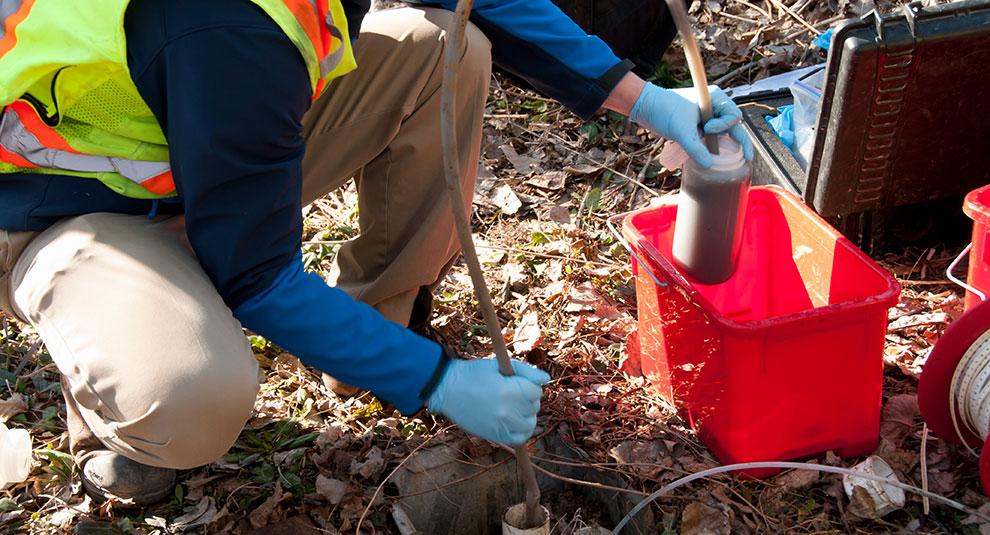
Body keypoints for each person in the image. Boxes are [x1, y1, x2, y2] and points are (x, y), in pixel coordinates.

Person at [0, 0, 752, 505]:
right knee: (191, 392)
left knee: (444, 51)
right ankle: (122, 393)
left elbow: (483, 2)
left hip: (202, 131)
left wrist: (646, 101)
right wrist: (436, 382)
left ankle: (366, 330)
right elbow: (255, 272)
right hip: (70, 201)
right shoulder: (229, 30)